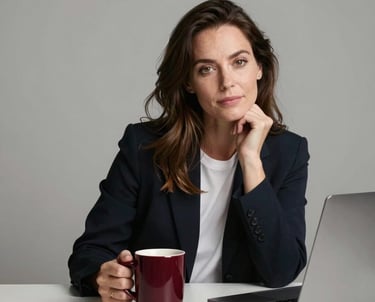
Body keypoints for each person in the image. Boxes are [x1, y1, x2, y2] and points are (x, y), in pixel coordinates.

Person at [68, 0, 310, 300]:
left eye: (239, 62)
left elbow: (282, 270)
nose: (227, 82)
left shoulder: (290, 152)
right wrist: (100, 276)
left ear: (260, 67)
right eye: (207, 69)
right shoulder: (143, 147)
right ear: (189, 82)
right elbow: (90, 252)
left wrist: (250, 161)